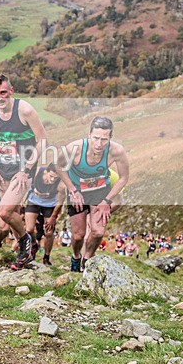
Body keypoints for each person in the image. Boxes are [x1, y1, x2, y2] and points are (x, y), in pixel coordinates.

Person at [0, 74, 48, 271]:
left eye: (3, 92)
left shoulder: (25, 110)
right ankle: (31, 243)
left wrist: (26, 170)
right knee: (8, 217)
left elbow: (43, 140)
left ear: (11, 91)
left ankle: (25, 245)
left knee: (4, 211)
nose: (0, 98)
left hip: (24, 169)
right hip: (2, 168)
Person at [57, 116, 130, 272]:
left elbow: (124, 178)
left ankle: (87, 260)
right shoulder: (74, 149)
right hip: (78, 191)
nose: (99, 144)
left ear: (110, 138)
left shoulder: (116, 151)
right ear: (89, 135)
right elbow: (58, 166)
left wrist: (106, 201)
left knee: (97, 232)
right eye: (96, 138)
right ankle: (76, 256)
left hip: (99, 190)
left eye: (104, 139)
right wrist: (72, 189)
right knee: (78, 235)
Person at [23, 164, 65, 267]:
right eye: (51, 176)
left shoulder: (61, 184)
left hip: (50, 205)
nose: (53, 180)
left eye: (55, 178)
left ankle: (46, 257)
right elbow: (25, 186)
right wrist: (22, 201)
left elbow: (60, 202)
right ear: (45, 172)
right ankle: (33, 245)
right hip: (34, 201)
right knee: (29, 229)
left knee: (49, 232)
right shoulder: (37, 172)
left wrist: (53, 217)